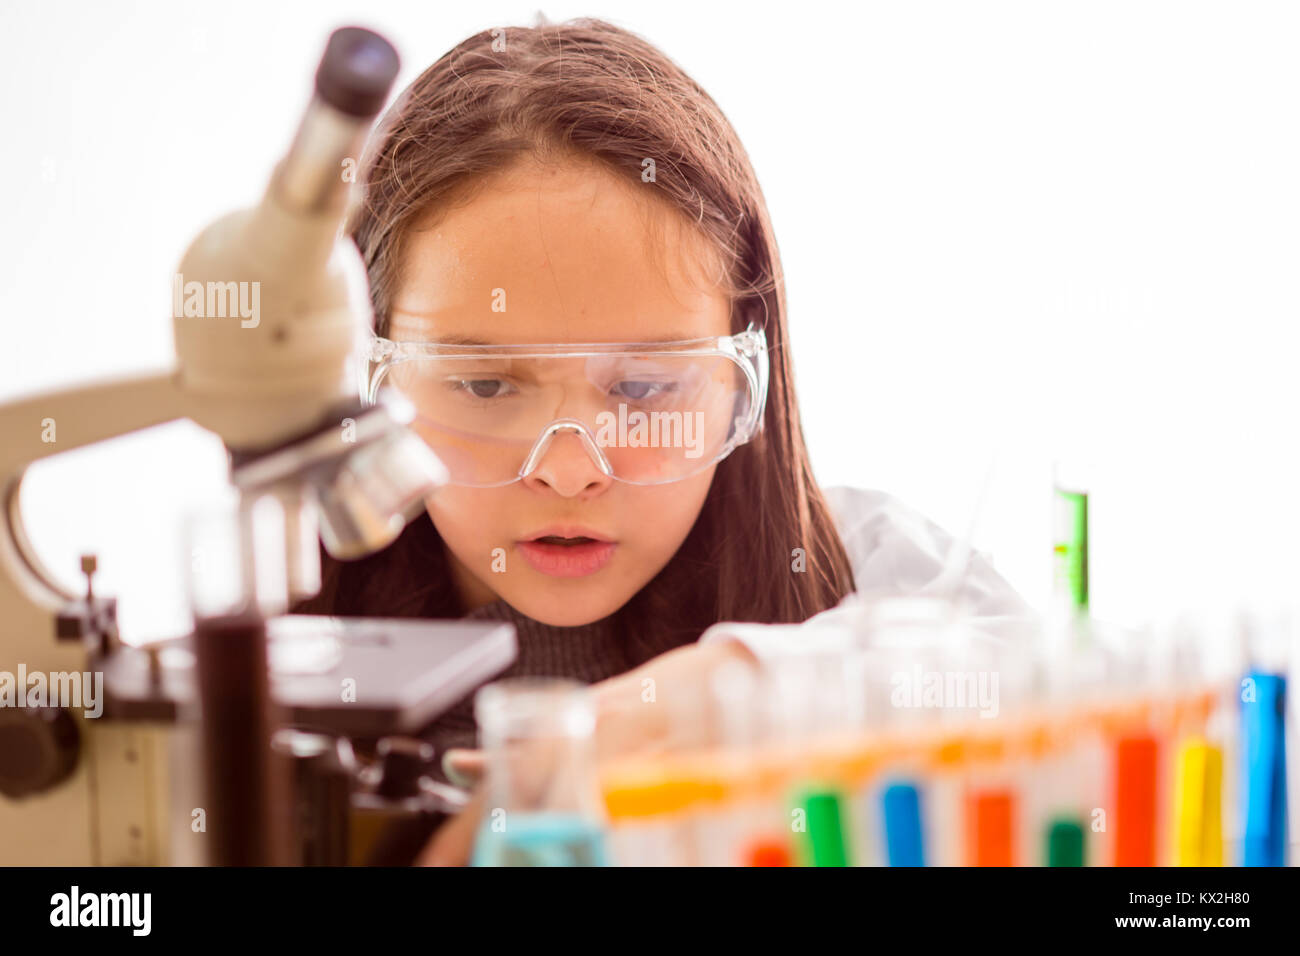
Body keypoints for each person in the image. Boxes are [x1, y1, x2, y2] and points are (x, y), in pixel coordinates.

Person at [292, 17, 1032, 865]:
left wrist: (722, 694)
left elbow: (1081, 684)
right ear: (370, 375)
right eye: (487, 385)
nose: (570, 471)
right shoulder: (264, 645)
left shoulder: (862, 572)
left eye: (644, 388)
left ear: (744, 377)